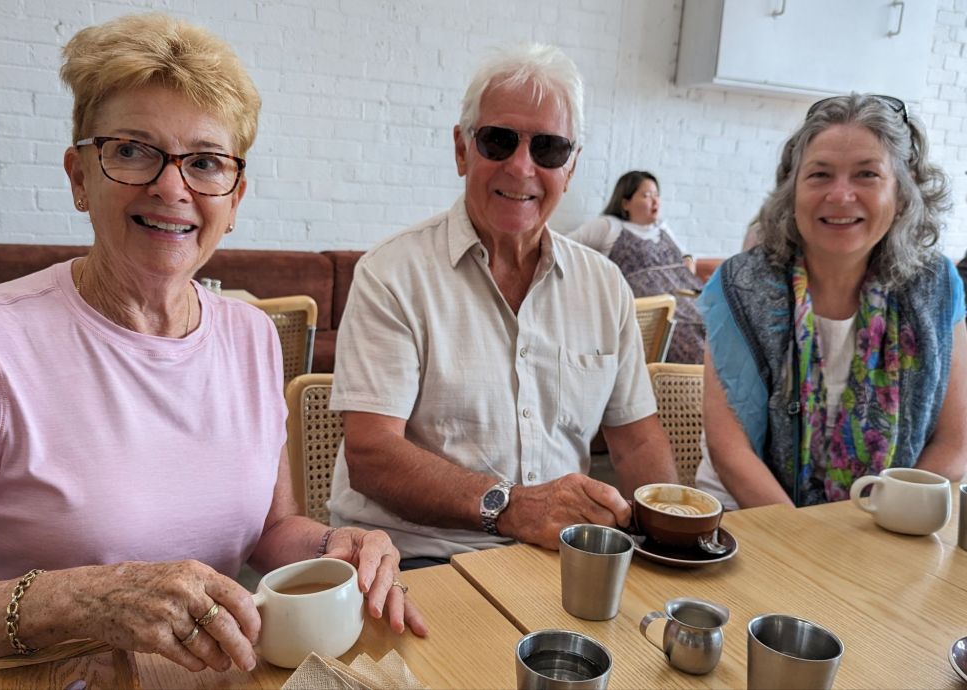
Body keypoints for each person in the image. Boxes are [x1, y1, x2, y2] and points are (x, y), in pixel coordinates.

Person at [0, 13, 425, 671]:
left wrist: (336, 547)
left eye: (204, 163)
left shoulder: (251, 335)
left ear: (235, 198)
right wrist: (78, 599)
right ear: (79, 176)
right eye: (132, 150)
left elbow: (270, 528)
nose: (171, 187)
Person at [327, 44, 678, 567]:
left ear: (571, 167)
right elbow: (372, 455)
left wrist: (673, 542)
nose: (521, 167)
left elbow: (636, 444)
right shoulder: (392, 274)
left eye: (549, 149)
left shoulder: (605, 285)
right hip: (417, 560)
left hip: (557, 560)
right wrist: (514, 508)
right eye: (498, 140)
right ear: (462, 150)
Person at [696, 93, 967, 509]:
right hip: (751, 519)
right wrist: (812, 540)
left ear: (902, 191)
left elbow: (955, 442)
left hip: (889, 523)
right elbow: (731, 453)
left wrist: (887, 517)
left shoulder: (936, 287)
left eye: (866, 174)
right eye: (820, 175)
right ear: (792, 190)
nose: (840, 195)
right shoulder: (739, 286)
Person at [568, 172, 705, 363]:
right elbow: (565, 247)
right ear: (625, 203)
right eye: (647, 196)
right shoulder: (610, 226)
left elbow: (686, 254)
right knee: (693, 344)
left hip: (690, 300)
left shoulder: (662, 228)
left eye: (657, 195)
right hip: (656, 313)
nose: (655, 201)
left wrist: (688, 261)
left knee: (719, 328)